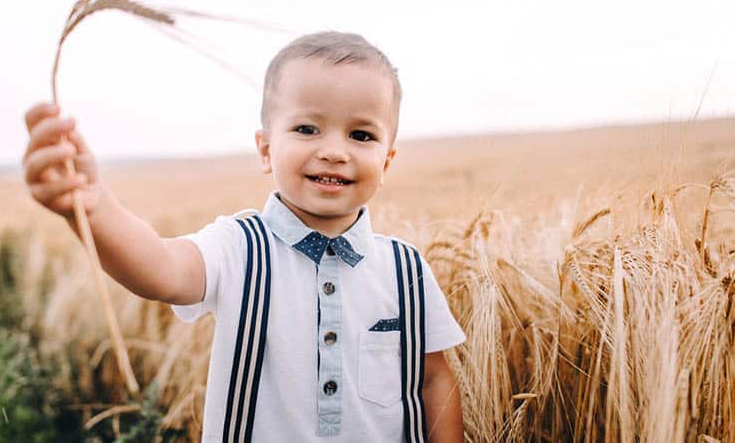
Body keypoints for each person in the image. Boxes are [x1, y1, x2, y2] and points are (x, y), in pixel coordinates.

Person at [23, 31, 466, 442]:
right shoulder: (238, 247)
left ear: (386, 163)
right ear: (266, 150)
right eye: (307, 128)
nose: (334, 151)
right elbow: (160, 268)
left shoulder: (406, 269)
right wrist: (94, 205)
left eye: (361, 134)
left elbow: (433, 379)